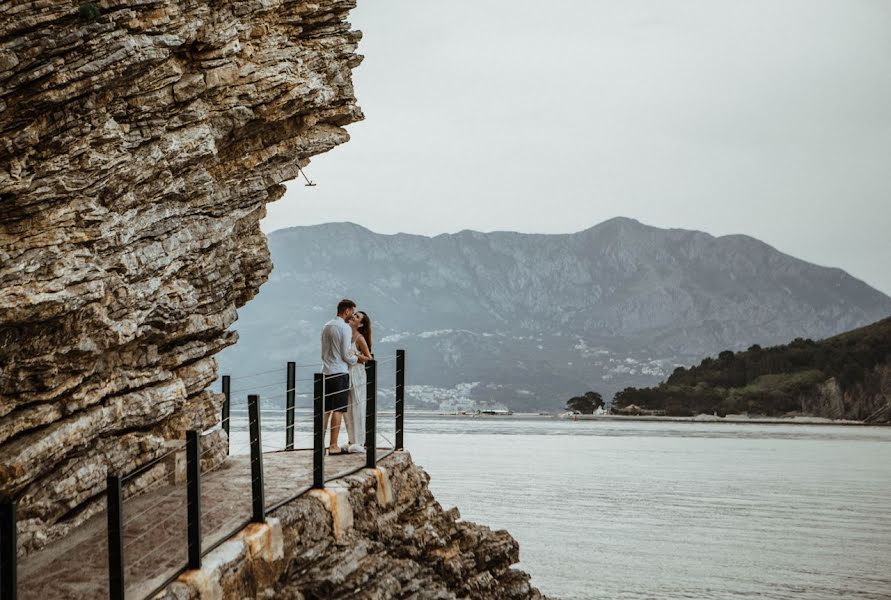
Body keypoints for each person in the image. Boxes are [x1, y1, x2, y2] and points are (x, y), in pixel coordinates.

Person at [320, 299, 366, 454]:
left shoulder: (327, 326)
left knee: (325, 410)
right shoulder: (344, 328)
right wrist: (356, 358)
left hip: (325, 371)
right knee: (338, 410)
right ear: (346, 311)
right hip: (339, 372)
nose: (352, 315)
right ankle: (333, 445)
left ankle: (319, 443)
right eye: (352, 312)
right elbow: (346, 354)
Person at [345, 310, 373, 453]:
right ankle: (351, 440)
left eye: (356, 317)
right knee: (348, 408)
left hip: (357, 373)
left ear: (360, 324)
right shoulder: (346, 334)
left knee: (358, 405)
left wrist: (355, 353)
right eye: (354, 314)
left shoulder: (359, 338)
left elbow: (368, 358)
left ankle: (360, 442)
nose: (353, 317)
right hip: (346, 372)